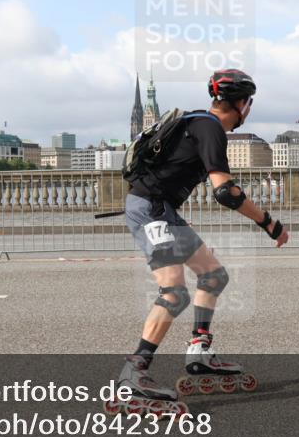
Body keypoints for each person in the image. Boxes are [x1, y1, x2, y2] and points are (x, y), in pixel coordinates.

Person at [117, 69, 290, 408]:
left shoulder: (198, 123)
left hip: (160, 208)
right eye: (248, 103)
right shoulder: (210, 128)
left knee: (213, 275)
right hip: (151, 209)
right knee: (174, 291)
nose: (248, 109)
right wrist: (269, 223)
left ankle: (200, 350)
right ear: (242, 105)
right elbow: (225, 192)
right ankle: (133, 373)